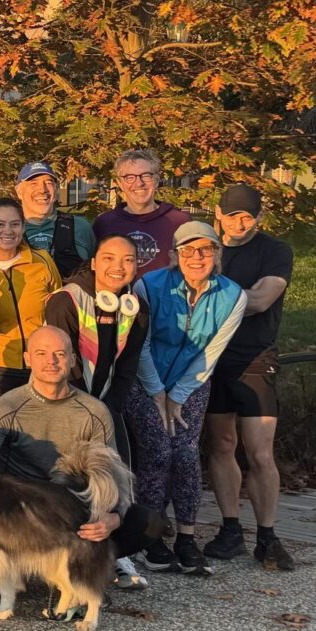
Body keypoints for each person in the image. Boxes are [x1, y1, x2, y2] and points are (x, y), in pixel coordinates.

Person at [0, 325, 153, 591]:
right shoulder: (5, 408)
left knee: (148, 523)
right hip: (21, 514)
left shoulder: (95, 411)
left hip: (72, 511)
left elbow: (112, 475)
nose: (51, 361)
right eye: (42, 353)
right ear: (28, 359)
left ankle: (83, 565)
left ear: (73, 360)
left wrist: (112, 517)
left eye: (60, 354)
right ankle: (24, 565)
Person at [132, 221, 244, 576]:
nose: (197, 257)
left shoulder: (233, 295)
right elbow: (141, 344)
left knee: (185, 454)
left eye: (206, 250)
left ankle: (186, 536)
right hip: (144, 381)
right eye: (188, 250)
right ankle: (149, 538)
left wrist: (178, 395)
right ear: (173, 256)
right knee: (158, 452)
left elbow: (211, 352)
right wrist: (158, 393)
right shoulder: (148, 285)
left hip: (191, 383)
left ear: (217, 254)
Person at [204, 184, 295, 570]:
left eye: (248, 215)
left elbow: (260, 300)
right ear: (218, 216)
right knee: (221, 445)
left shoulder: (275, 251)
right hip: (211, 359)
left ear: (259, 216)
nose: (240, 222)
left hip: (255, 358)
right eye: (232, 214)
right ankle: (229, 529)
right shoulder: (207, 249)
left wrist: (211, 291)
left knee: (259, 451)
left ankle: (268, 536)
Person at [43, 234, 151, 465]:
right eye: (108, 258)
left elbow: (128, 364)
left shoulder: (137, 307)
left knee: (117, 475)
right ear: (93, 263)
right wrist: (87, 411)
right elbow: (62, 364)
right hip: (63, 400)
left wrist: (110, 406)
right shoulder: (65, 301)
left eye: (128, 260)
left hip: (106, 400)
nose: (118, 267)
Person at [0, 198, 62, 423]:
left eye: (15, 224)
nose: (8, 231)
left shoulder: (42, 262)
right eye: (0, 224)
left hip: (39, 366)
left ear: (23, 227)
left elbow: (57, 307)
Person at [94, 148, 191, 274]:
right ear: (120, 183)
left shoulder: (179, 222)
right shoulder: (104, 223)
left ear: (156, 180)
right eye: (129, 177)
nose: (139, 183)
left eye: (146, 176)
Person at [16, 162, 94, 277]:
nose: (42, 189)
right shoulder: (7, 230)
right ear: (19, 192)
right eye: (33, 183)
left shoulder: (80, 227)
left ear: (56, 189)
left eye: (48, 182)